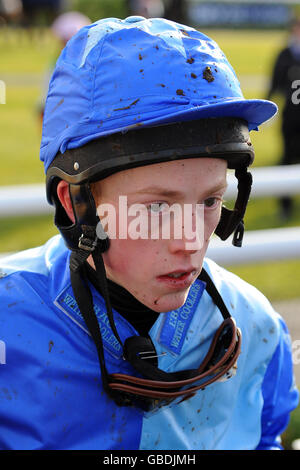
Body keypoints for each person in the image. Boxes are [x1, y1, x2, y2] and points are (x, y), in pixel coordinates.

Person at [0, 16, 298, 451]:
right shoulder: (9, 325)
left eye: (210, 201)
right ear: (75, 205)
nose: (191, 241)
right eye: (157, 207)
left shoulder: (257, 328)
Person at [267, 18, 300, 220]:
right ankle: (285, 205)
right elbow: (275, 82)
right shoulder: (285, 54)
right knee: (287, 157)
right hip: (291, 117)